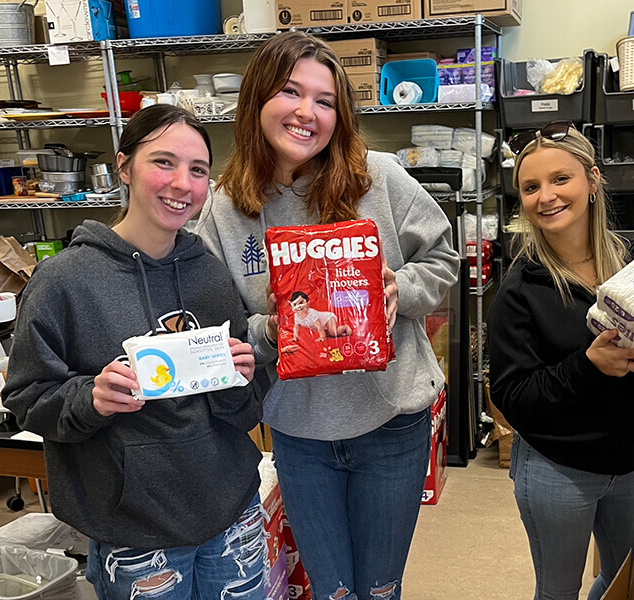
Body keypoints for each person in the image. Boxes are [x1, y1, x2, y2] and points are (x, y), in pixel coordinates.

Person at [195, 31, 458, 600]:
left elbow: (444, 258)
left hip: (391, 420)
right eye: (291, 92)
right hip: (298, 432)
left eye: (326, 101)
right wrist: (267, 329)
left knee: (380, 590)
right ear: (257, 99)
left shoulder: (380, 178)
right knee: (333, 591)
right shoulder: (223, 208)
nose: (307, 113)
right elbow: (215, 333)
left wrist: (401, 288)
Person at [3, 105, 268, 600]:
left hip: (231, 512)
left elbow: (244, 409)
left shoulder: (209, 273)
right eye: (163, 162)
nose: (181, 184)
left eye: (198, 170)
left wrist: (242, 378)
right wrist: (91, 399)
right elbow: (25, 398)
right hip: (134, 527)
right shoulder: (64, 281)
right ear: (124, 167)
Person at [486, 122, 634, 600]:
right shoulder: (520, 292)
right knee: (559, 591)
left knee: (628, 584)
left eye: (560, 179)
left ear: (592, 179)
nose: (546, 196)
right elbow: (513, 399)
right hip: (557, 468)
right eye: (531, 187)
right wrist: (589, 365)